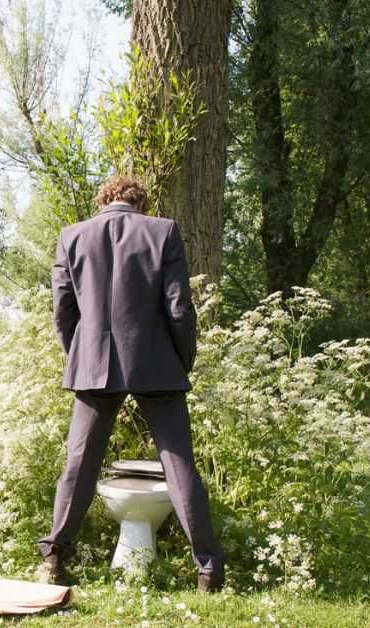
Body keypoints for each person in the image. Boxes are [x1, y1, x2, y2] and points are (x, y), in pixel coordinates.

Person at [37, 175, 224, 592]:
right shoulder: (163, 231)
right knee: (179, 466)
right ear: (141, 202)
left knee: (79, 464)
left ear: (103, 200)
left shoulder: (72, 236)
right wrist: (182, 360)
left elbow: (63, 312)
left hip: (93, 363)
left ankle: (54, 558)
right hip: (156, 363)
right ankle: (208, 570)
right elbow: (179, 307)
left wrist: (80, 356)